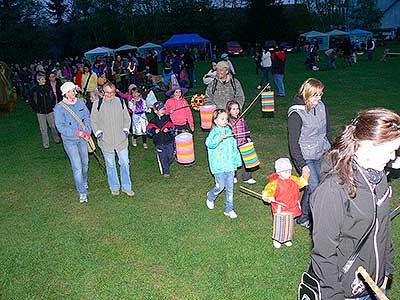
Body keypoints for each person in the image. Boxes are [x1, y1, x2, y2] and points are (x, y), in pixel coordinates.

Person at [309, 108, 399, 300]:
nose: (393, 157)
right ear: (365, 145)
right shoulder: (333, 190)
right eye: (390, 150)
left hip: (376, 282)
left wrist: (386, 271)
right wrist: (334, 296)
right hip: (347, 291)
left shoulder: (379, 178)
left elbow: (382, 228)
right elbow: (323, 254)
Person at [287, 78, 330, 228]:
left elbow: (326, 129)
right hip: (305, 156)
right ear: (307, 94)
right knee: (315, 188)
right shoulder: (296, 114)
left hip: (321, 152)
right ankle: (312, 220)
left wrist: (329, 149)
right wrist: (302, 164)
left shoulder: (321, 106)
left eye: (321, 95)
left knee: (316, 186)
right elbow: (293, 144)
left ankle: (302, 216)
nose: (319, 99)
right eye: (316, 95)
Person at [91, 82, 135, 197]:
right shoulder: (97, 104)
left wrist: (126, 130)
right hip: (106, 141)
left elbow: (127, 118)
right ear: (103, 92)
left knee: (125, 163)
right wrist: (98, 133)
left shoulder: (120, 102)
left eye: (112, 92)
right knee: (110, 165)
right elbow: (93, 121)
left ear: (115, 91)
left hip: (121, 140)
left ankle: (127, 187)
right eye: (107, 92)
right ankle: (114, 187)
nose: (109, 95)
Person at [54, 81, 91, 203]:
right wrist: (77, 133)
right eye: (72, 91)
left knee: (85, 163)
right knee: (77, 167)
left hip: (83, 139)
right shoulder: (59, 108)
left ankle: (84, 181)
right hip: (70, 141)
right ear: (66, 93)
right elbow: (60, 127)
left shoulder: (80, 102)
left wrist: (88, 132)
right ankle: (82, 192)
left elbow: (87, 116)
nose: (75, 92)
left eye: (74, 90)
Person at [262, 158, 309, 248]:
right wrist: (268, 197)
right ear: (279, 173)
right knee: (280, 223)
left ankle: (287, 238)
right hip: (280, 208)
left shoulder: (293, 179)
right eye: (285, 171)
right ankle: (277, 239)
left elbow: (301, 182)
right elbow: (266, 193)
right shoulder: (275, 184)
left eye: (289, 171)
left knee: (289, 223)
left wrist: (306, 175)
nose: (288, 173)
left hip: (291, 206)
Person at [205, 109, 242, 219]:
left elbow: (234, 149)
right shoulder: (214, 133)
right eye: (222, 119)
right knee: (220, 186)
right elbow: (209, 143)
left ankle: (229, 209)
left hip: (229, 165)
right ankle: (211, 196)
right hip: (218, 166)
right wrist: (218, 138)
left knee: (230, 188)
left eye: (226, 118)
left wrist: (236, 163)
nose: (225, 121)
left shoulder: (229, 132)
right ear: (215, 121)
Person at [226, 100, 256, 184]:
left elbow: (246, 129)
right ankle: (233, 176)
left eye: (237, 109)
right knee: (234, 161)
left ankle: (247, 177)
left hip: (243, 143)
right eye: (233, 109)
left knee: (247, 160)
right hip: (233, 145)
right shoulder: (228, 122)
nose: (236, 111)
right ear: (229, 111)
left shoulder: (242, 119)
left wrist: (248, 137)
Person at [29, 72, 61, 149]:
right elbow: (32, 101)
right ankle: (46, 143)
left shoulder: (48, 88)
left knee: (53, 126)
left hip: (49, 111)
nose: (44, 80)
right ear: (38, 80)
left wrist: (52, 105)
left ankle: (56, 139)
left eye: (44, 79)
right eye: (42, 79)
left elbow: (53, 97)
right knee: (43, 128)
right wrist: (36, 108)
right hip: (40, 112)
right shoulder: (34, 90)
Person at [146, 102, 175, 177]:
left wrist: (168, 129)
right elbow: (148, 131)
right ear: (155, 111)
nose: (163, 111)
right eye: (160, 110)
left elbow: (173, 127)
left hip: (169, 141)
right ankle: (166, 171)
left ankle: (167, 164)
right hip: (159, 143)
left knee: (170, 155)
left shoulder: (167, 118)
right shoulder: (153, 121)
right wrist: (154, 131)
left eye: (163, 109)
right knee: (163, 157)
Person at [117, 84, 149, 149]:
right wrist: (134, 104)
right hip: (136, 117)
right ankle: (134, 138)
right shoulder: (131, 101)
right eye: (133, 93)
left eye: (136, 93)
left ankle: (144, 143)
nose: (134, 94)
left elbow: (145, 107)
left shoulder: (142, 100)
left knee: (144, 130)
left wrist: (148, 109)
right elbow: (132, 109)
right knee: (137, 130)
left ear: (139, 93)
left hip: (142, 116)